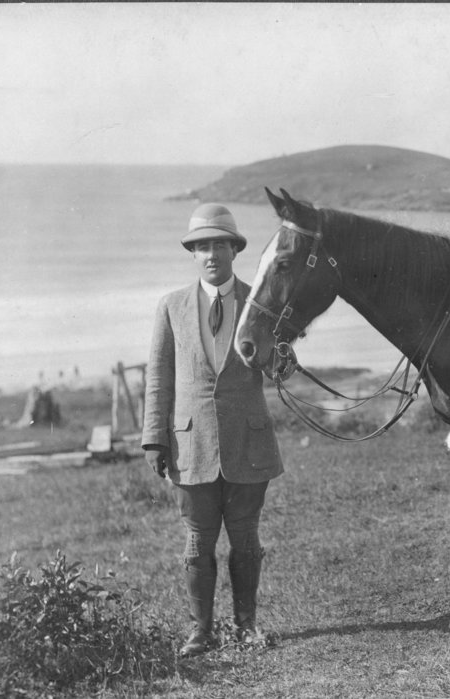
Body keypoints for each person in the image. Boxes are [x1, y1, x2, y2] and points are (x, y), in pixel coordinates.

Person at [142, 203, 284, 657]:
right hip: (190, 445)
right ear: (193, 253)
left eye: (220, 244)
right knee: (198, 540)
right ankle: (200, 632)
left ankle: (246, 626)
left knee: (246, 538)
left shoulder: (259, 302)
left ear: (235, 250)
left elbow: (279, 367)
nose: (211, 254)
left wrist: (283, 354)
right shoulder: (171, 307)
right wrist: (154, 438)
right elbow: (159, 378)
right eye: (202, 246)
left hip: (249, 442)